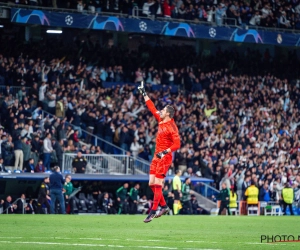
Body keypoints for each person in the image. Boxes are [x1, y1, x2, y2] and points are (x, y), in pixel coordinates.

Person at [138, 81, 181, 223]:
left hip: (165, 157)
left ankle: (154, 210)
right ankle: (163, 206)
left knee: (157, 183)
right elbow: (151, 107)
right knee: (151, 183)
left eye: (162, 110)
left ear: (168, 114)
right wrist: (144, 93)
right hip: (157, 156)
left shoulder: (172, 127)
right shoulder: (161, 120)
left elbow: (177, 144)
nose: (160, 111)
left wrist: (165, 152)